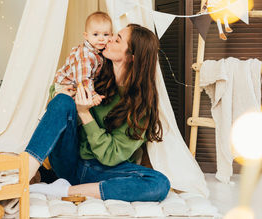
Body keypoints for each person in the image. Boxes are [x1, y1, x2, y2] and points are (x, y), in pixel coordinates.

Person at [25, 24, 170, 202]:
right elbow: (59, 99)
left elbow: (111, 156)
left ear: (132, 57)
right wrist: (58, 93)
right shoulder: (94, 72)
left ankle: (65, 190)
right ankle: (25, 172)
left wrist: (85, 114)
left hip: (103, 171)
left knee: (159, 183)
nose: (108, 39)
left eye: (117, 39)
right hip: (70, 162)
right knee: (62, 101)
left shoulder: (141, 107)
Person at [53, 11, 112, 105]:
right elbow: (83, 78)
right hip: (65, 85)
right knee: (69, 107)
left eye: (106, 34)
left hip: (78, 85)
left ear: (111, 35)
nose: (101, 38)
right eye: (96, 34)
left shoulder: (101, 51)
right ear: (86, 36)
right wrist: (93, 95)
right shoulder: (85, 55)